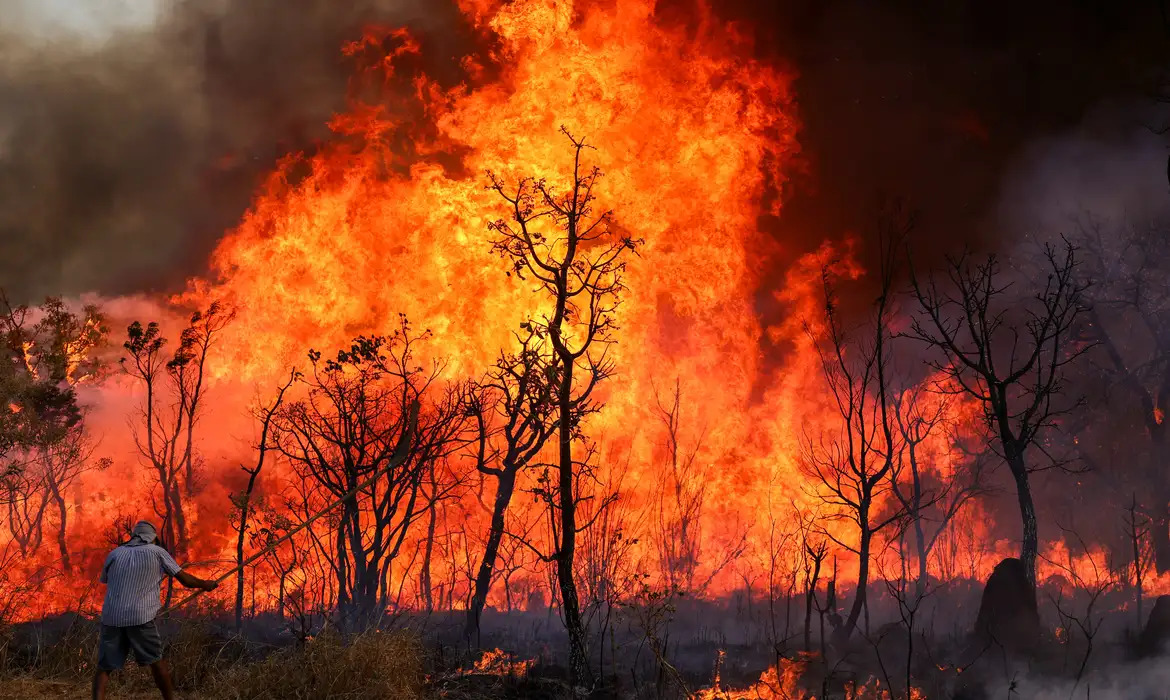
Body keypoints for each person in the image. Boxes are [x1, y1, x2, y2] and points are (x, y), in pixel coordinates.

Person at [93, 521, 218, 700]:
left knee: (104, 667)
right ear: (152, 538)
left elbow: (105, 580)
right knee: (156, 662)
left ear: (135, 536)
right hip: (140, 617)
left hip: (111, 617)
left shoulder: (115, 553)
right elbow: (185, 580)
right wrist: (205, 584)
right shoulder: (157, 552)